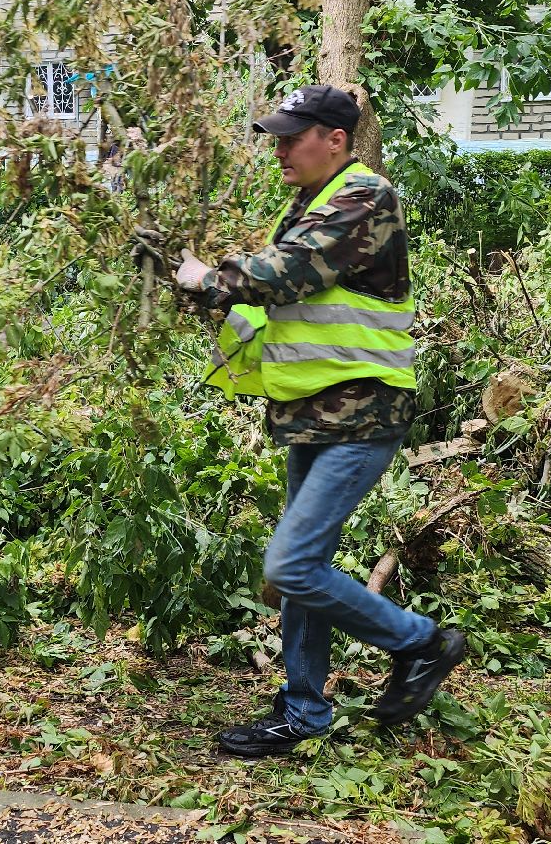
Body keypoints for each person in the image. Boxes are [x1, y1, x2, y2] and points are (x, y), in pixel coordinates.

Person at [171, 83, 465, 757]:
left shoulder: (365, 199)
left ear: (335, 139)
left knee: (292, 566)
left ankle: (423, 644)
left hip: (364, 414)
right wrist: (186, 285)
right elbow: (271, 304)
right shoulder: (309, 206)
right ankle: (302, 714)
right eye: (276, 136)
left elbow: (284, 274)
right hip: (313, 416)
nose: (279, 148)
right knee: (306, 568)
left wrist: (205, 275)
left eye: (290, 137)